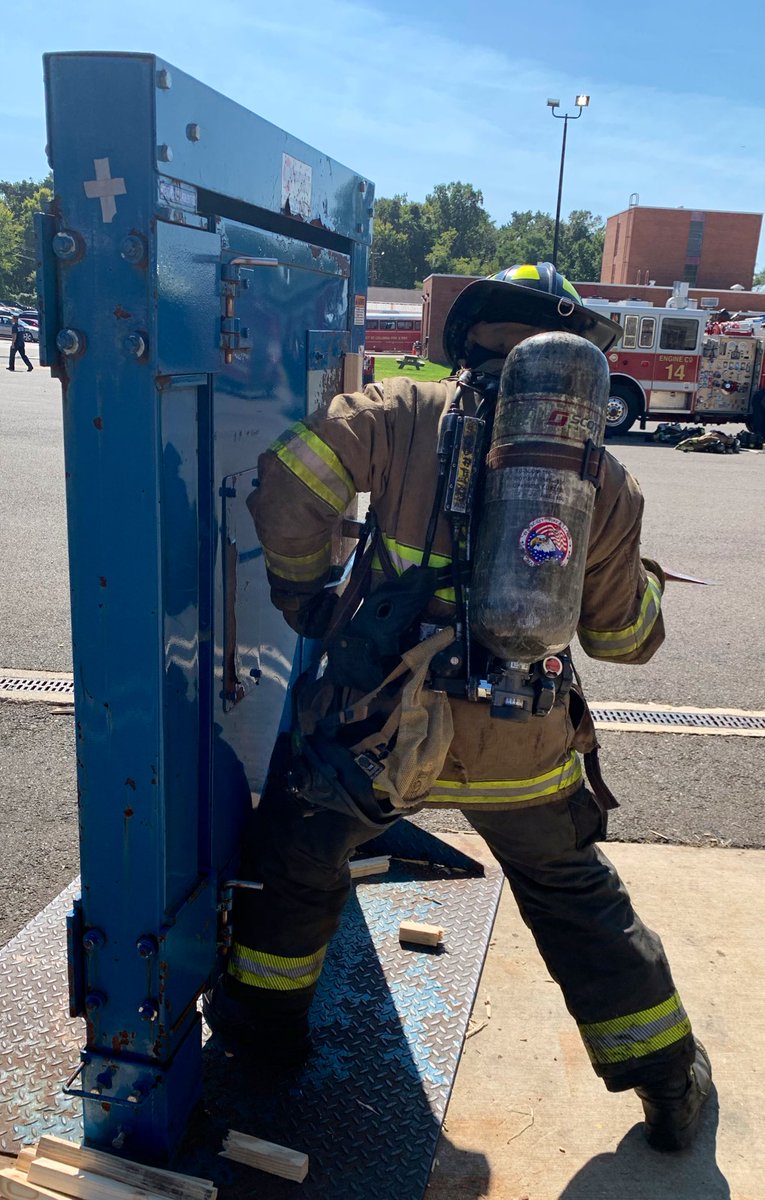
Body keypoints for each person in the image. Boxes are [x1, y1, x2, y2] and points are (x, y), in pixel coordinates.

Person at [204, 263, 711, 1153]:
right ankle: (666, 1081)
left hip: (377, 730)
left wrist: (306, 595)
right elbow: (621, 640)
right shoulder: (599, 475)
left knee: (297, 859)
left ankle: (264, 1043)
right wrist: (648, 589)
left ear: (467, 336)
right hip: (522, 744)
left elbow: (285, 488)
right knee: (571, 896)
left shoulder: (399, 410)